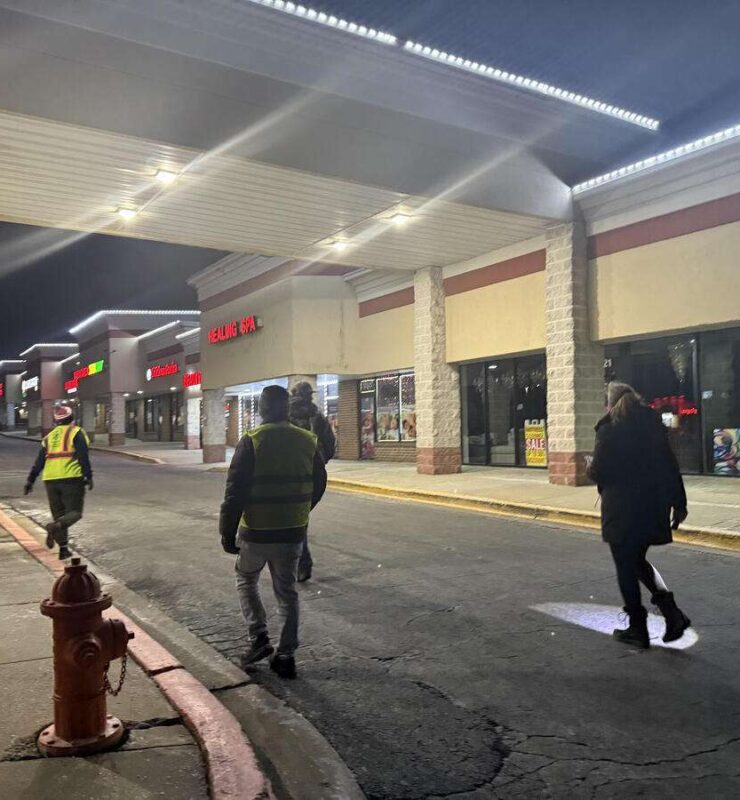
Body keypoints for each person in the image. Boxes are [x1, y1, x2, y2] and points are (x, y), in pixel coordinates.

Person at [220, 385, 327, 679]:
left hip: (256, 531)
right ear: (286, 409)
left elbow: (234, 492)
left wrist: (227, 532)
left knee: (246, 579)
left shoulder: (252, 441)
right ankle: (286, 655)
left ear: (262, 409)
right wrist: (300, 509)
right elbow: (319, 483)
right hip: (292, 532)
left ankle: (259, 638)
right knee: (287, 592)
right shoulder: (306, 440)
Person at [588, 382, 691, 649]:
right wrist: (679, 504)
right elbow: (670, 465)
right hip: (653, 506)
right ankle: (671, 613)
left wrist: (589, 467)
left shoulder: (609, 429)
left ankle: (638, 628)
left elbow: (599, 471)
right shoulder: (653, 425)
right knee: (636, 560)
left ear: (610, 404)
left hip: (622, 509)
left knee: (626, 566)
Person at [24, 404, 93, 560]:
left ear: (56, 421)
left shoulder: (49, 437)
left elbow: (39, 462)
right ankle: (55, 527)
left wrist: (30, 480)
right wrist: (88, 476)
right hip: (71, 478)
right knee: (74, 512)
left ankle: (63, 550)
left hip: (50, 480)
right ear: (72, 418)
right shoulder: (76, 432)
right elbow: (83, 456)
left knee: (59, 515)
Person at [288, 381, 335, 582]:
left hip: (291, 472)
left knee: (295, 518)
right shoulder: (318, 416)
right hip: (314, 472)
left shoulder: (285, 416)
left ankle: (301, 562)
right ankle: (301, 562)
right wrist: (321, 459)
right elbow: (330, 444)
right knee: (300, 516)